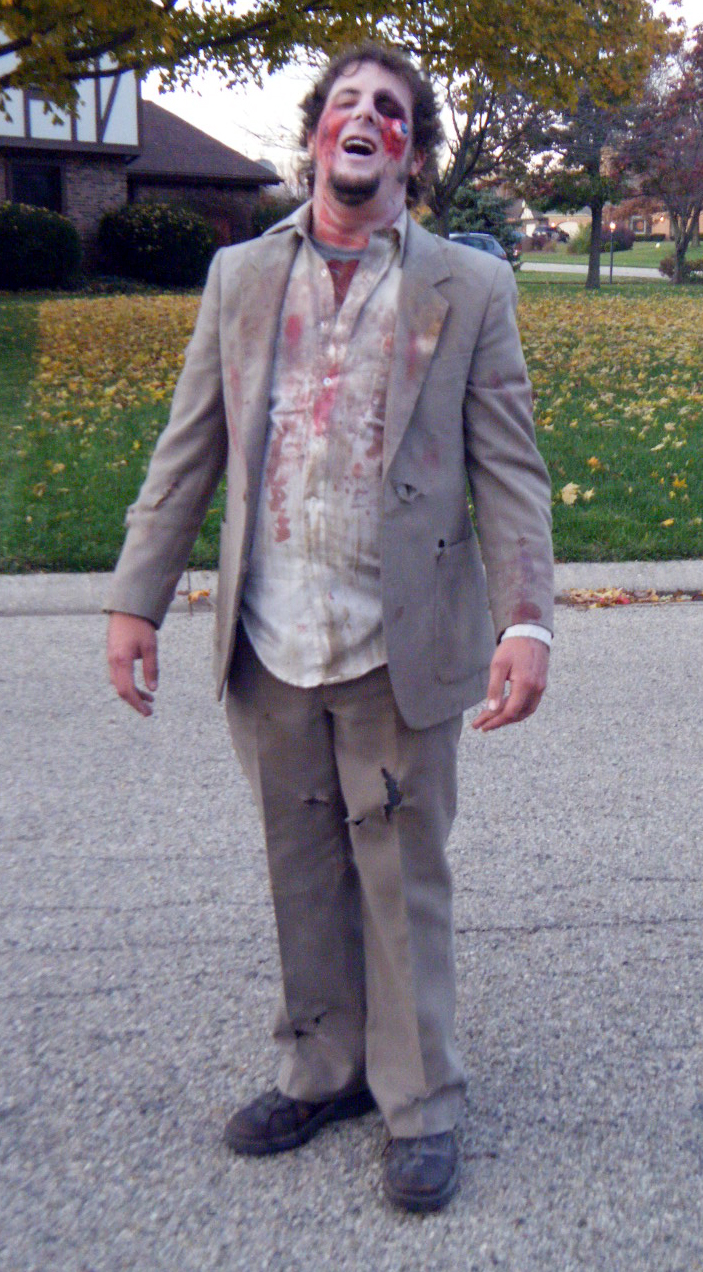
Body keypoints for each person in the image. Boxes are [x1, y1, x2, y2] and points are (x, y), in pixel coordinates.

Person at [105, 42, 553, 1213]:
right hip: (270, 637)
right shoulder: (240, 277)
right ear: (314, 136)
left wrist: (527, 620)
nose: (363, 118)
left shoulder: (467, 287)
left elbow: (509, 469)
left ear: (413, 151)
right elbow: (188, 449)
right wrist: (135, 599)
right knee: (301, 871)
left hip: (399, 642)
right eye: (344, 103)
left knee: (402, 879)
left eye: (388, 109)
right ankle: (324, 1069)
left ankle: (421, 1103)